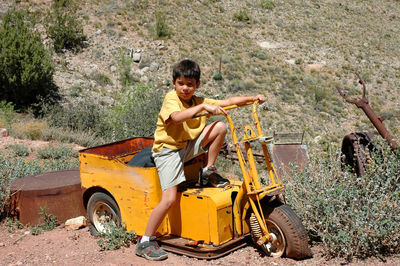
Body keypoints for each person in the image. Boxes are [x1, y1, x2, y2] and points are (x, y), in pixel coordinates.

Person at [135, 59, 266, 261]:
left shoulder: (198, 100)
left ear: (198, 84)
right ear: (173, 83)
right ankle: (145, 241)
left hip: (186, 146)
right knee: (169, 199)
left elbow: (227, 102)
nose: (185, 88)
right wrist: (203, 107)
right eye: (181, 83)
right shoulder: (172, 99)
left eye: (190, 84)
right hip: (168, 151)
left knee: (220, 127)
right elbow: (177, 117)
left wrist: (253, 98)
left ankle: (208, 170)